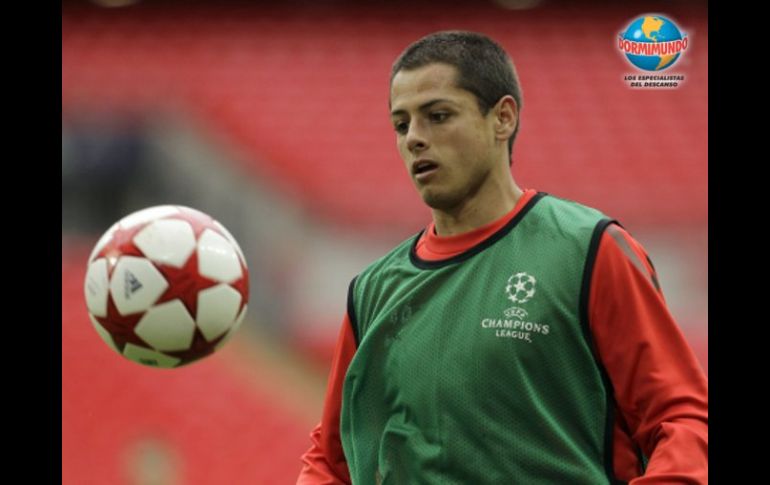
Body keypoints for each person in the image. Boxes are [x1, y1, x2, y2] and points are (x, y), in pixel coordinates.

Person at [297, 31, 708, 484]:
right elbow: (330, 460)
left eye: (437, 116)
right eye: (401, 124)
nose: (415, 138)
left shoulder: (588, 250)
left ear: (503, 118)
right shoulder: (373, 290)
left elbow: (680, 418)